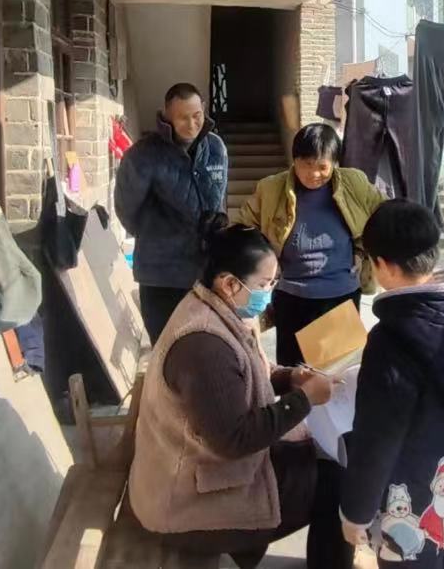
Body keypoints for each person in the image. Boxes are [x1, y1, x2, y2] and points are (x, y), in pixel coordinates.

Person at [127, 222, 354, 569]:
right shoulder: (204, 345)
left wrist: (290, 378)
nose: (270, 293)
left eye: (273, 283)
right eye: (264, 284)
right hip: (186, 503)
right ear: (230, 283)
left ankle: (257, 549)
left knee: (317, 458)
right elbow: (234, 440)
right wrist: (305, 399)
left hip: (198, 472)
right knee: (338, 484)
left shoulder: (213, 309)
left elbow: (248, 373)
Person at [339, 200, 444, 568]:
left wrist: (355, 513)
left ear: (383, 264)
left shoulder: (390, 340)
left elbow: (377, 439)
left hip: (410, 495)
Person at [239, 123, 385, 366]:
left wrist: (361, 252)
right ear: (294, 160)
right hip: (292, 296)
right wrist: (266, 262)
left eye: (322, 167)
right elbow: (244, 228)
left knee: (337, 374)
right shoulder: (270, 189)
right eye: (306, 164)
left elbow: (383, 217)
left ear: (335, 163)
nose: (314, 174)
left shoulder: (354, 184)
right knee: (294, 374)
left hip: (340, 294)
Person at [114, 82, 228, 344]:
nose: (192, 124)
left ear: (204, 109)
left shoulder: (216, 148)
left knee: (205, 348)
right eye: (183, 118)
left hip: (206, 272)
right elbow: (127, 209)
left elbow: (221, 197)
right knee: (166, 347)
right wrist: (157, 233)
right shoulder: (143, 155)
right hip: (161, 275)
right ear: (167, 117)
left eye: (197, 115)